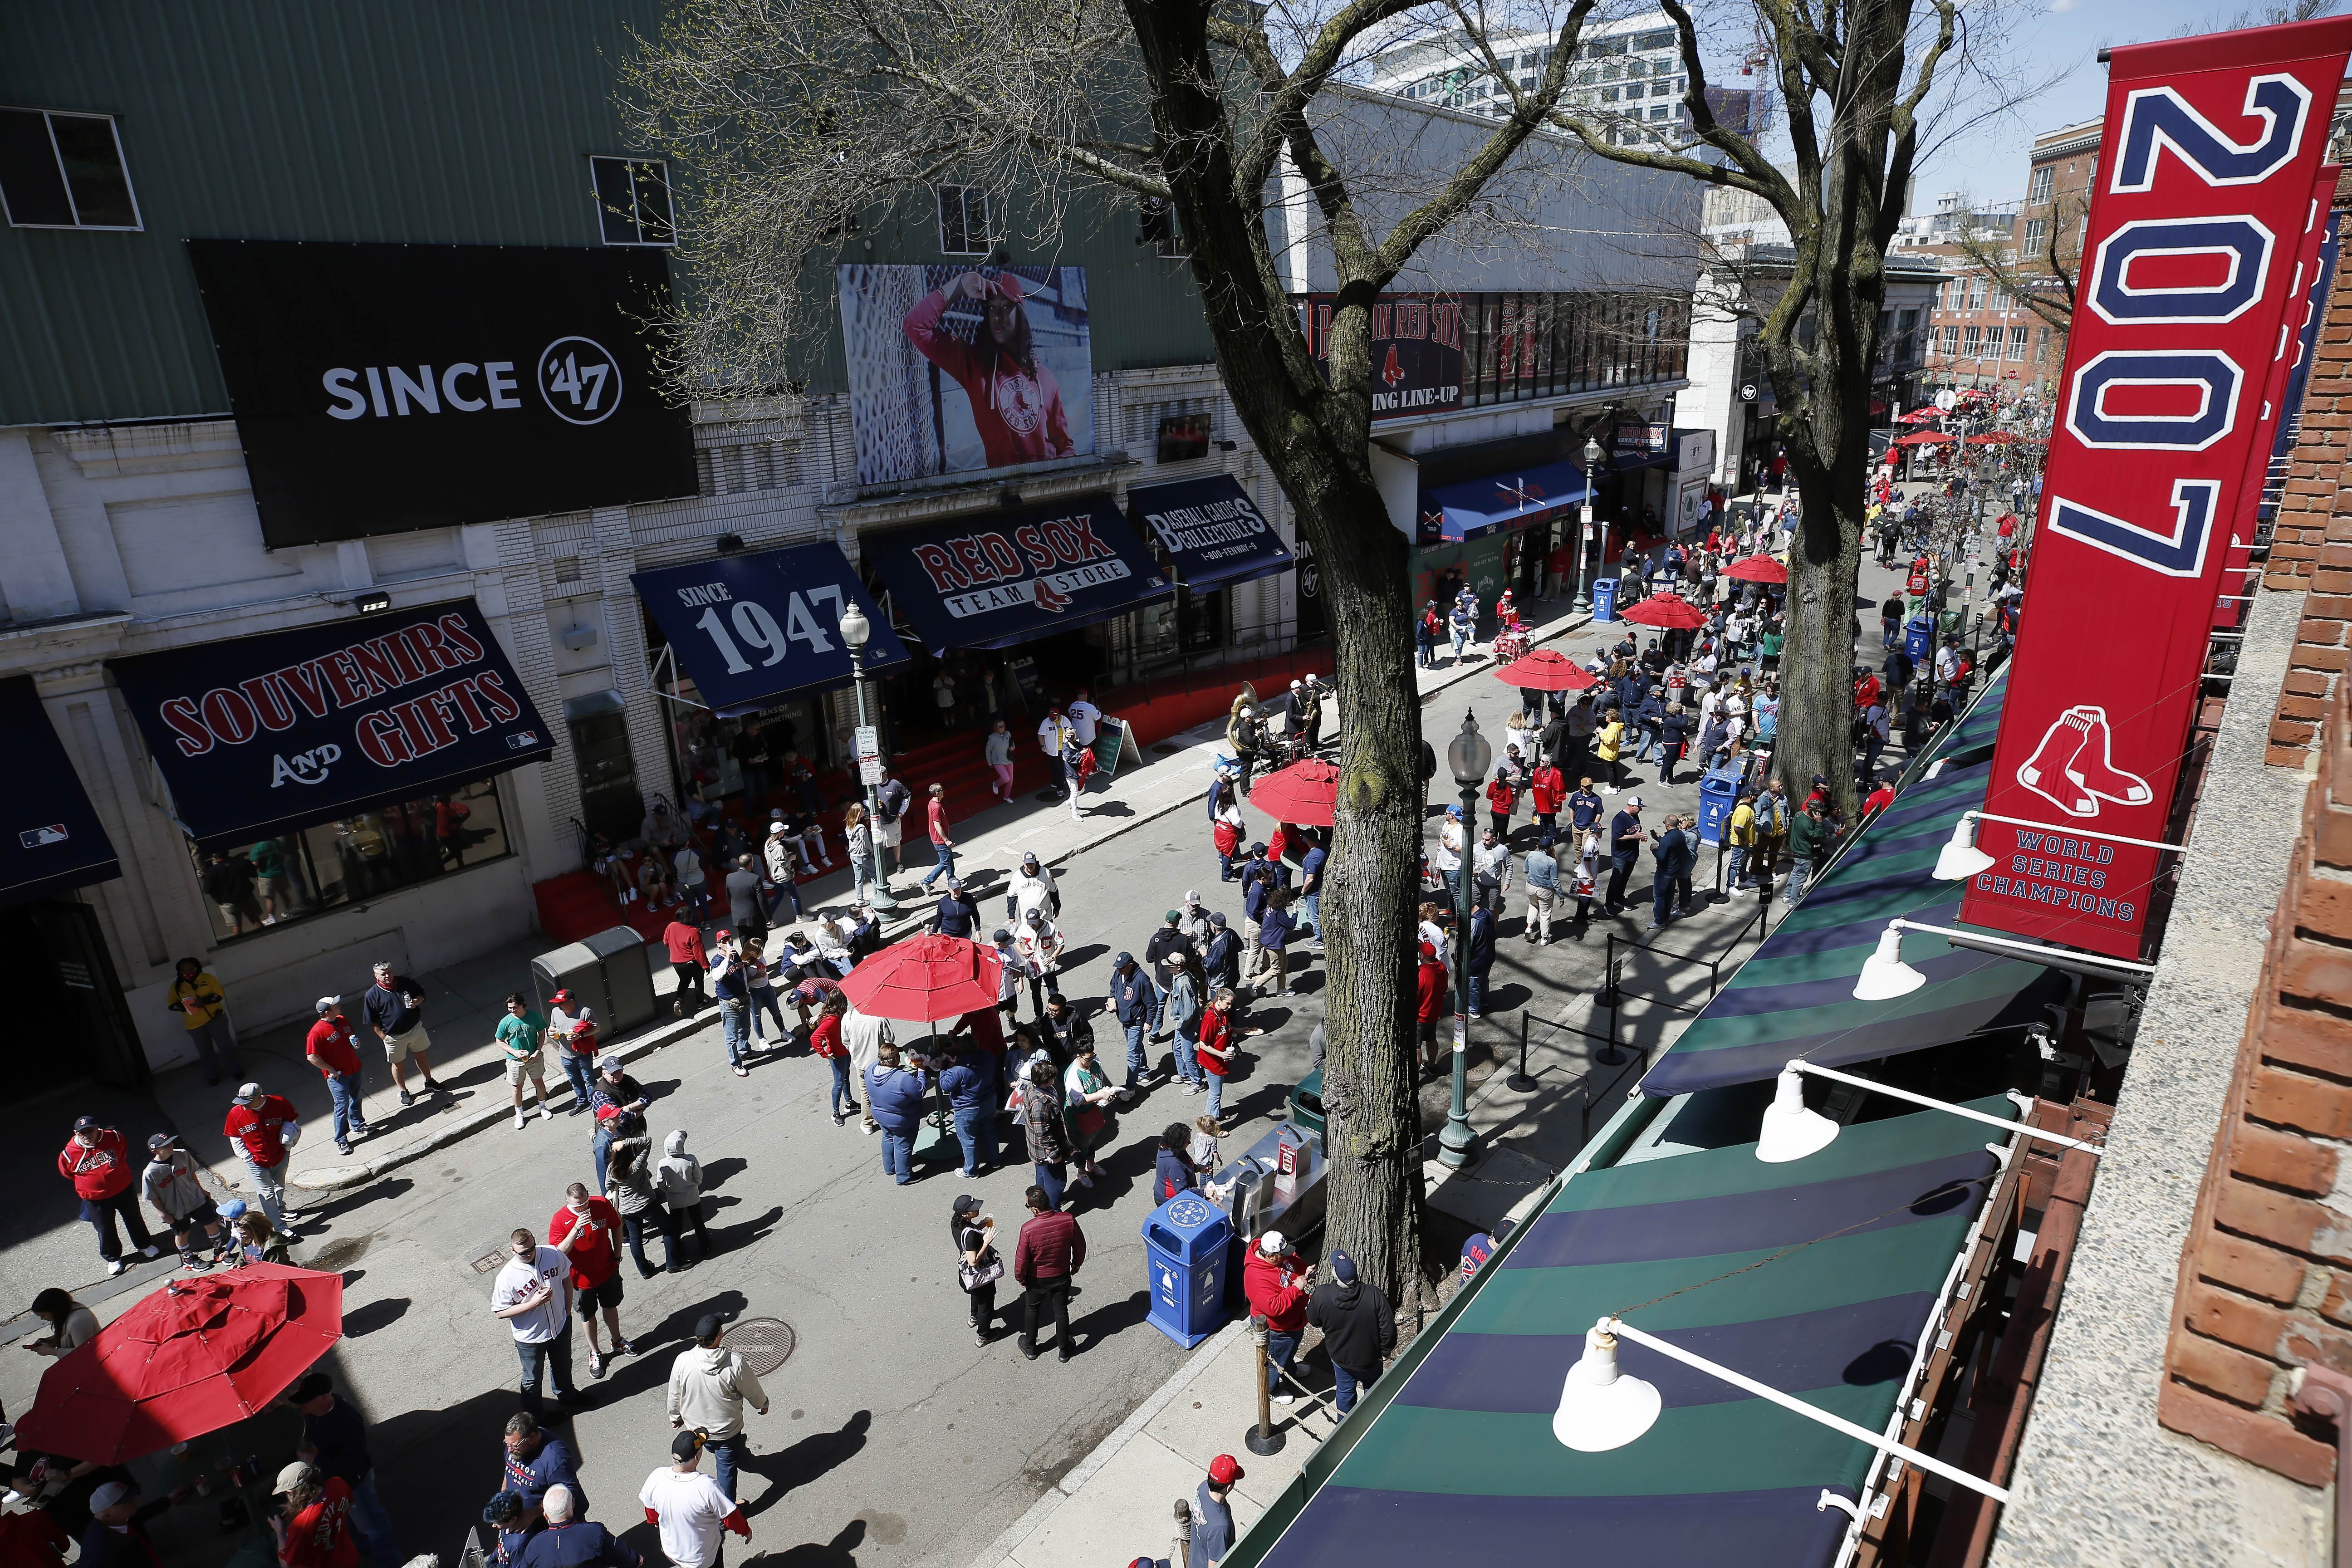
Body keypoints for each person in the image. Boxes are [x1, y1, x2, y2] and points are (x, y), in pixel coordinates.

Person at [904, 270, 1072, 465]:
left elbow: (1065, 446)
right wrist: (959, 286)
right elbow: (915, 326)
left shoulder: (1046, 378)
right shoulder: (975, 366)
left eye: (1006, 306)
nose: (997, 316)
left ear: (1020, 313)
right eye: (992, 307)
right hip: (1005, 487)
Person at [283, 1374, 398, 1568]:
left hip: (355, 1483)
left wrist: (316, 1459)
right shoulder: (315, 1413)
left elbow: (352, 1462)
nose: (301, 1406)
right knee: (345, 1523)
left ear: (324, 1398)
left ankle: (391, 1563)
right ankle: (362, 1550)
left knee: (374, 1526)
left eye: (305, 1402)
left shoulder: (346, 1420)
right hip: (335, 1482)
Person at [666, 1313, 769, 1504]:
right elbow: (752, 1389)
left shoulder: (683, 1360)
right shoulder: (734, 1363)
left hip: (696, 1429)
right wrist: (762, 1405)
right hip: (726, 1431)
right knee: (726, 1469)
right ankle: (727, 1511)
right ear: (720, 1335)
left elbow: (675, 1393)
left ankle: (716, 1448)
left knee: (712, 1447)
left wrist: (675, 1417)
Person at [549, 1181, 636, 1379]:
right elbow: (559, 1252)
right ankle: (595, 1352)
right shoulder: (560, 1220)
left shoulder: (601, 1204)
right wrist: (575, 1228)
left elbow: (616, 1226)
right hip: (580, 1281)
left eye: (585, 1203)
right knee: (587, 1316)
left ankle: (617, 1341)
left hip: (606, 1271)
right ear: (568, 1202)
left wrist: (618, 1255)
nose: (583, 1208)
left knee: (611, 1307)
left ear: (589, 1195)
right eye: (577, 1206)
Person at [493, 1227, 579, 1415]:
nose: (528, 1254)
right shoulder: (506, 1277)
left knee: (563, 1363)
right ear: (513, 1251)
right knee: (532, 1378)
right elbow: (500, 1311)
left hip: (560, 1324)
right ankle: (536, 1417)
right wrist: (533, 1304)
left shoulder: (551, 1254)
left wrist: (567, 1310)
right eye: (522, 1253)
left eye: (531, 1249)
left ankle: (567, 1396)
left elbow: (566, 1278)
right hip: (531, 1337)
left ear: (534, 1241)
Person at [57, 1116, 157, 1276]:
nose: (87, 1135)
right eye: (82, 1132)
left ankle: (144, 1245)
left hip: (123, 1189)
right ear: (76, 1133)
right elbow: (68, 1173)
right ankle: (113, 1258)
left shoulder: (114, 1137)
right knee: (105, 1228)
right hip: (96, 1198)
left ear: (98, 1128)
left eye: (90, 1130)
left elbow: (122, 1153)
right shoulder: (69, 1154)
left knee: (134, 1218)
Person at [1307, 1249, 1396, 1417]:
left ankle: (1343, 1428)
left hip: (1340, 1359)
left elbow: (1314, 1321)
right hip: (1371, 1359)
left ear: (1335, 1274)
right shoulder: (1374, 1294)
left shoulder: (1322, 1294)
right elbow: (1388, 1329)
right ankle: (1371, 1422)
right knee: (1372, 1393)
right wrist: (1385, 1352)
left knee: (1345, 1392)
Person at [641, 1431, 748, 1568]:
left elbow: (651, 1511)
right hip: (703, 1558)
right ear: (697, 1457)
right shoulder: (706, 1486)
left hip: (672, 1552)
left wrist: (656, 1522)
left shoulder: (656, 1476)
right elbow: (730, 1516)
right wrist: (745, 1530)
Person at [1012, 1184, 1085, 1362]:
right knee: (1061, 1310)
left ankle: (1031, 1347)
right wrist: (1076, 1264)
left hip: (1037, 1279)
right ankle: (1064, 1350)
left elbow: (1022, 1258)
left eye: (1028, 1206)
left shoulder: (1028, 1229)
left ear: (1035, 1209)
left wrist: (1021, 1278)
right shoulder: (1068, 1219)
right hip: (1061, 1275)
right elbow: (1080, 1245)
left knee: (1032, 1309)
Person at [142, 1132, 228, 1270]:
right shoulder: (150, 1172)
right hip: (175, 1208)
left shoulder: (182, 1154)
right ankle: (188, 1259)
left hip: (195, 1198)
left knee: (211, 1223)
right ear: (155, 1151)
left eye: (171, 1143)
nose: (171, 1146)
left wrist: (202, 1190)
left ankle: (219, 1251)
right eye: (166, 1146)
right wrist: (162, 1213)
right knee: (183, 1233)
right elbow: (152, 1196)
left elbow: (192, 1173)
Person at [361, 961, 442, 1107]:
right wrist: (384, 1037)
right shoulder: (372, 995)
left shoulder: (405, 982)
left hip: (415, 1029)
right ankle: (404, 1091)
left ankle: (429, 1081)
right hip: (394, 1036)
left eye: (389, 972)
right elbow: (372, 1021)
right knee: (398, 1064)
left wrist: (415, 1002)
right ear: (376, 976)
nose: (387, 976)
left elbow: (421, 995)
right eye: (383, 974)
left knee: (421, 1054)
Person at [224, 1082, 301, 1233]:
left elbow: (291, 1122)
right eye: (241, 1102)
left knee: (279, 1184)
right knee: (267, 1194)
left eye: (248, 1102)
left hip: (280, 1155)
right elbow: (234, 1138)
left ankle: (280, 1209)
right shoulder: (236, 1113)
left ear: (260, 1097)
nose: (244, 1106)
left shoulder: (279, 1103)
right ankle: (279, 1229)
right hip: (256, 1161)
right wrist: (248, 1157)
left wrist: (288, 1144)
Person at [1242, 1232, 1309, 1405]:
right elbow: (1274, 1308)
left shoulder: (1279, 1258)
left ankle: (1288, 1368)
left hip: (1293, 1322)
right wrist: (1296, 1289)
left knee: (1287, 1353)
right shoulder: (1255, 1278)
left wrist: (1305, 1271)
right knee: (1272, 1365)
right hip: (1277, 1330)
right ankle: (1271, 1389)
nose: (1286, 1256)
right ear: (1270, 1256)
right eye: (1282, 1254)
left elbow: (1293, 1261)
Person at [604, 1133, 674, 1279]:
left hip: (627, 1210)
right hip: (647, 1204)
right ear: (629, 1150)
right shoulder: (636, 1165)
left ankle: (645, 1271)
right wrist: (625, 1143)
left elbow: (608, 1186)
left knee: (636, 1240)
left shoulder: (612, 1169)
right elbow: (647, 1141)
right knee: (669, 1229)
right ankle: (674, 1263)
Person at [165, 957, 242, 1085]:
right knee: (205, 1051)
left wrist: (205, 1001)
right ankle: (213, 1076)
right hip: (194, 1025)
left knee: (225, 1045)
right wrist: (183, 1007)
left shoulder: (208, 978)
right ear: (179, 972)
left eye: (191, 969)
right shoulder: (176, 987)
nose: (188, 972)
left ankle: (236, 1070)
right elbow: (171, 1005)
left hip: (215, 1018)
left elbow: (219, 994)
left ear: (197, 968)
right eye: (184, 970)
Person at [516, 1487, 637, 1568]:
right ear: (573, 1504)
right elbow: (622, 1555)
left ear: (546, 1515)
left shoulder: (534, 1546)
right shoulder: (594, 1532)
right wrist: (636, 1560)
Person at [865, 1041, 928, 1186]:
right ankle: (904, 1177)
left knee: (888, 1138)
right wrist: (921, 1071)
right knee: (903, 1145)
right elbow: (920, 1092)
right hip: (901, 1120)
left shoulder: (871, 1069)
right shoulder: (902, 1078)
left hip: (880, 1115)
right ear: (896, 1059)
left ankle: (890, 1168)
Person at [1019, 1058, 1077, 1211]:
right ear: (1045, 1080)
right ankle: (1053, 1208)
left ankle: (1041, 1202)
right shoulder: (1040, 1105)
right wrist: (1054, 1153)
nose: (1055, 1079)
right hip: (1047, 1152)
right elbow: (1043, 1134)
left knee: (1043, 1176)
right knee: (1056, 1181)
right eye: (1052, 1077)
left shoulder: (1032, 1087)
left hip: (1037, 1150)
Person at [1063, 1039, 1118, 1186]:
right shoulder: (1073, 1075)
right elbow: (1080, 1100)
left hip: (1094, 1112)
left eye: (1093, 1056)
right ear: (1078, 1056)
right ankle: (1082, 1173)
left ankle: (1092, 1165)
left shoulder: (1094, 1064)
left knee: (1092, 1141)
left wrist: (1107, 1092)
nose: (1091, 1060)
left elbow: (1100, 1082)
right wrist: (1101, 1095)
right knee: (1081, 1146)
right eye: (1088, 1058)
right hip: (1079, 1117)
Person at [589, 1056, 650, 1191]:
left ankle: (645, 1189)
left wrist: (630, 1107)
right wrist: (638, 1111)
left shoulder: (627, 1080)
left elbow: (648, 1097)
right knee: (621, 1170)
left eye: (619, 1071)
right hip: (618, 1136)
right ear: (604, 1074)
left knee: (639, 1162)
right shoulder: (601, 1092)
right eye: (613, 1073)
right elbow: (620, 1117)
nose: (617, 1076)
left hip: (633, 1130)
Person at [939, 1043, 997, 1177]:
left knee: (969, 1140)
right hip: (989, 1102)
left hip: (968, 1109)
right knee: (990, 1132)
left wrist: (944, 1068)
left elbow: (945, 1086)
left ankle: (971, 1171)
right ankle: (995, 1161)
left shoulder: (959, 1070)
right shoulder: (988, 1056)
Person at [953, 1196, 1001, 1346]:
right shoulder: (972, 1236)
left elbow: (967, 1235)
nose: (977, 1208)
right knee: (986, 1304)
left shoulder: (957, 1223)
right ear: (965, 1214)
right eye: (973, 1208)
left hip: (968, 1277)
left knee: (976, 1296)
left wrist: (980, 1225)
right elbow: (973, 1261)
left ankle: (974, 1317)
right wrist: (986, 1242)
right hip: (980, 1274)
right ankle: (984, 1335)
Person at [1190, 1457, 1242, 1568]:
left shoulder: (1203, 1487)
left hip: (1196, 1561)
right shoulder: (1220, 1527)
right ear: (1229, 1487)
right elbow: (1216, 1566)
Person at [24, 1287, 99, 1359]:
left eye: (43, 1315)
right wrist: (52, 1340)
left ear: (55, 1310)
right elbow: (71, 1336)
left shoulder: (78, 1322)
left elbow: (83, 1353)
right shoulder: (69, 1310)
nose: (42, 1319)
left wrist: (51, 1351)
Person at [1788, 797, 1834, 902]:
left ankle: (1787, 895)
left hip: (1797, 849)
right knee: (1801, 877)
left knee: (1795, 872)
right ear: (1812, 811)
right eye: (1818, 812)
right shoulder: (1807, 823)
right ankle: (1793, 901)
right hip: (1804, 851)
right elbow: (1818, 834)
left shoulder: (1799, 814)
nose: (1820, 814)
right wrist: (1819, 822)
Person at [1605, 794, 1644, 915]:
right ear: (1632, 806)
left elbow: (1636, 830)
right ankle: (1609, 904)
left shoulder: (1635, 816)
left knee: (1625, 879)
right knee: (1616, 879)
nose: (1641, 809)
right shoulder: (1620, 819)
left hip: (1632, 854)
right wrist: (1635, 836)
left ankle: (1619, 899)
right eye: (1639, 807)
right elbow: (1617, 837)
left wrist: (1641, 837)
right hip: (1621, 855)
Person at [1414, 942, 1449, 1072]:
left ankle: (1414, 1080)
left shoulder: (1422, 974)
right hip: (1435, 1012)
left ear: (1422, 956)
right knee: (1431, 1039)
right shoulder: (1442, 967)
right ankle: (1432, 1065)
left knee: (1416, 1046)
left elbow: (1416, 997)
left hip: (1421, 1015)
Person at [1523, 832, 1559, 946]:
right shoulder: (1552, 862)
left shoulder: (1531, 854)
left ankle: (1529, 927)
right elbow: (1555, 881)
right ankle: (1544, 938)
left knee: (1533, 905)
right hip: (1545, 890)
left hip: (1530, 887)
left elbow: (1526, 870)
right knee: (1545, 914)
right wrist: (1561, 895)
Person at [920, 783, 958, 887]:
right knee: (945, 862)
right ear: (937, 793)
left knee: (949, 859)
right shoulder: (936, 807)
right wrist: (946, 840)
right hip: (940, 840)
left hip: (939, 839)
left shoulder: (932, 803)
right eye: (942, 790)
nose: (944, 791)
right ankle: (926, 882)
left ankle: (952, 880)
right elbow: (937, 826)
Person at [1463, 902, 1494, 1018]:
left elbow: (1467, 945)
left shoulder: (1473, 923)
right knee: (1484, 981)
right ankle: (1484, 1001)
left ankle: (1474, 1010)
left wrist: (1457, 956)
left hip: (1475, 961)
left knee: (1473, 985)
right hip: (1489, 956)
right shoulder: (1488, 913)